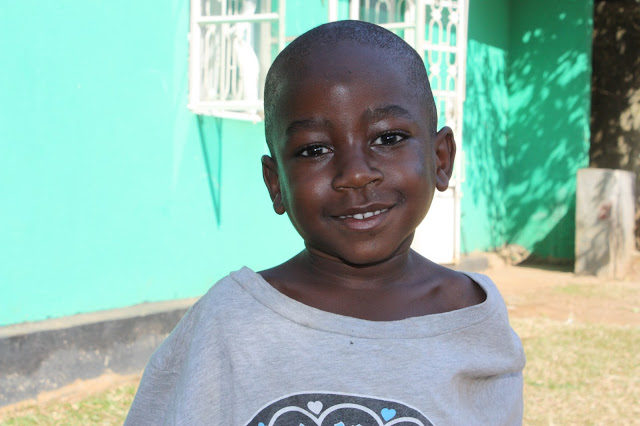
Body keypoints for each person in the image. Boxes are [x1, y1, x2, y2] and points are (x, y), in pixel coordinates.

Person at [125, 20, 525, 425]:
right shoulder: (229, 322)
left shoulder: (472, 317)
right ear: (275, 183)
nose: (356, 174)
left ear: (440, 159)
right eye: (314, 149)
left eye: (388, 138)